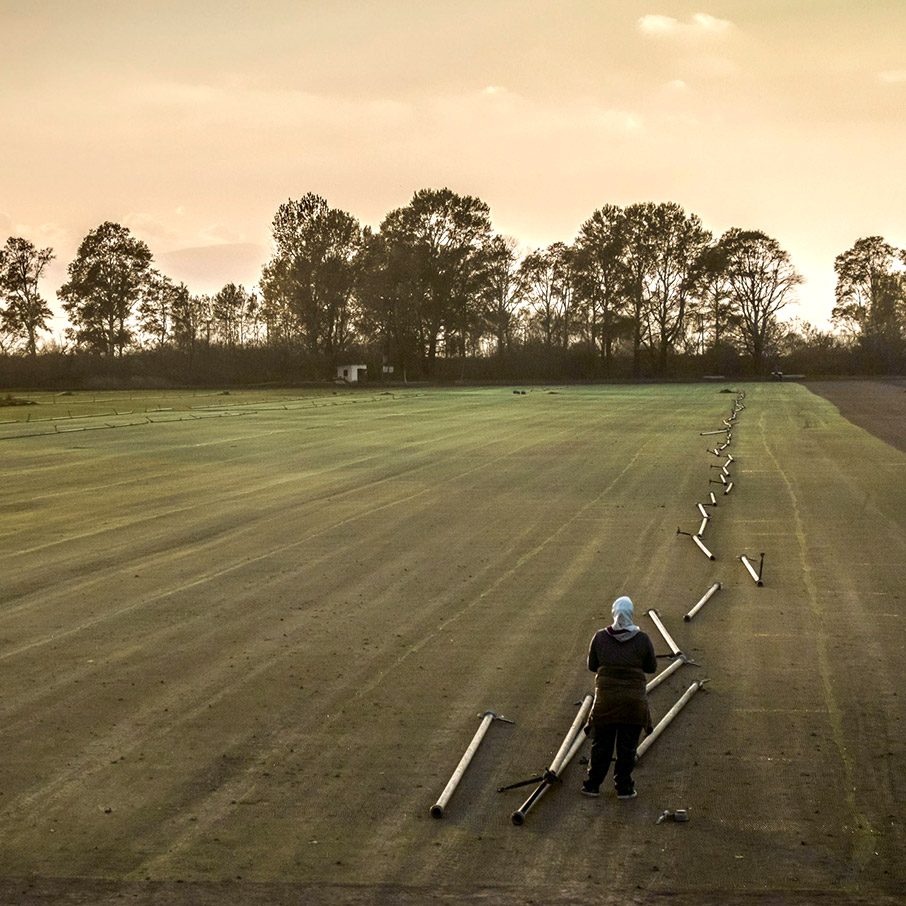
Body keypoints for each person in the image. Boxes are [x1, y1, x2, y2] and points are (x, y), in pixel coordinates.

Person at [582, 596, 657, 799]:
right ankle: (624, 787)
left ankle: (592, 785)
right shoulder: (642, 639)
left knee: (601, 745)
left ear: (614, 613)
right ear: (631, 614)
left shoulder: (600, 637)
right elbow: (651, 667)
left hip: (606, 701)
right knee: (627, 747)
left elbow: (592, 666)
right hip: (633, 703)